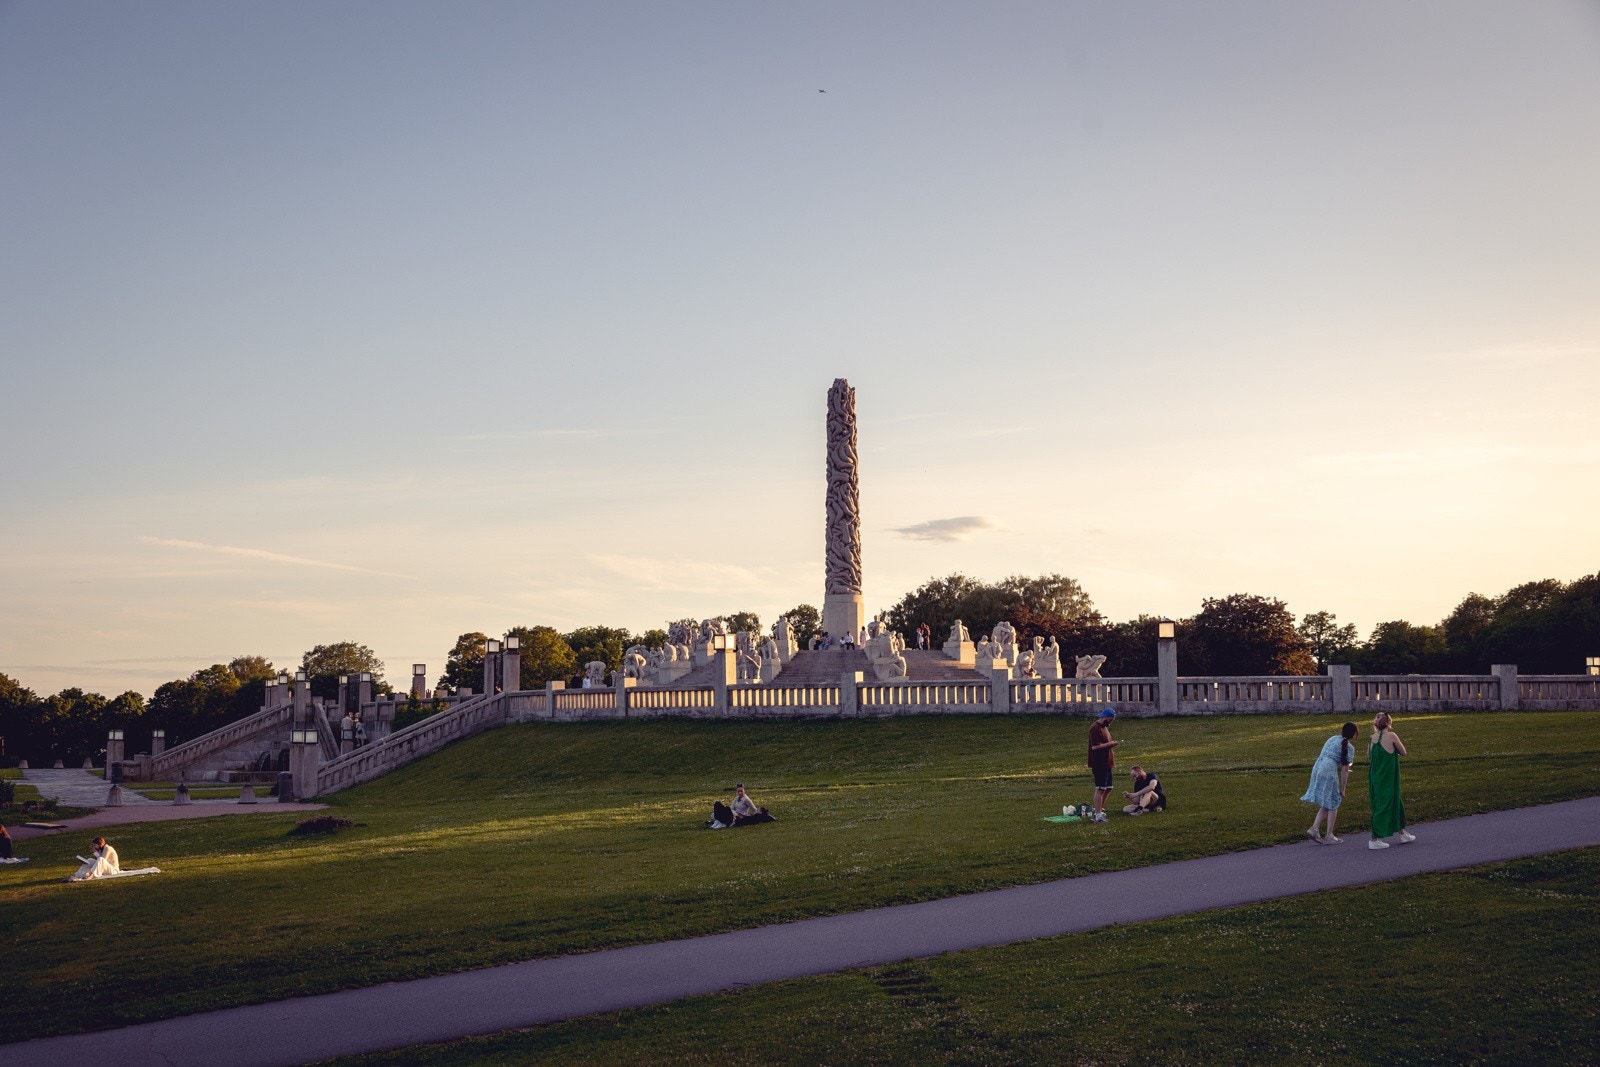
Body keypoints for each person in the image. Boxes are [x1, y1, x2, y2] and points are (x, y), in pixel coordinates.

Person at [1302, 722, 1358, 844]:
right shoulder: (1350, 748)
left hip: (1318, 767)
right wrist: (1343, 789)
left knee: (1328, 801)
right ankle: (1329, 835)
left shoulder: (1332, 739)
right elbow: (1345, 771)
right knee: (1334, 802)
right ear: (1354, 734)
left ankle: (1314, 829)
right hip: (1328, 770)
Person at [1367, 712, 1415, 850]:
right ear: (1388, 723)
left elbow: (1369, 756)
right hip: (1388, 776)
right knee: (1384, 805)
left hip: (1375, 775)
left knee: (1394, 802)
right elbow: (1403, 752)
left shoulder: (1371, 738)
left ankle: (1402, 832)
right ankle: (1374, 838)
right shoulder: (1392, 736)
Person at [1087, 708, 1119, 823]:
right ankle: (1097, 814)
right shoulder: (1095, 728)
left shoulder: (1104, 727)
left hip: (1107, 762)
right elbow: (1095, 747)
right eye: (1110, 720)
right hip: (1099, 763)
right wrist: (1111, 744)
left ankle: (1100, 809)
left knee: (1108, 788)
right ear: (1104, 717)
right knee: (1100, 788)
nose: (1110, 722)